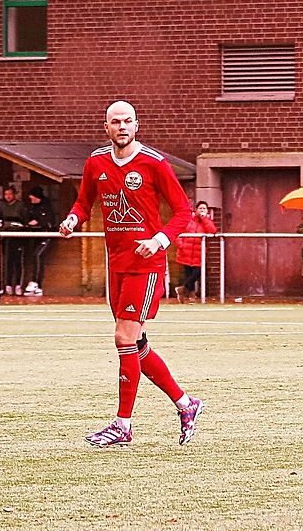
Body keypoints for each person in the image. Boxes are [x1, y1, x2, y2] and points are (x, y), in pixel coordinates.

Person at [58, 100, 203, 446]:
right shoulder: (96, 162)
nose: (122, 127)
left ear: (137, 126)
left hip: (146, 266)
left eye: (127, 121)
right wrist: (73, 219)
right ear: (106, 127)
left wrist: (159, 240)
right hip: (117, 265)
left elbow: (183, 211)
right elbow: (84, 202)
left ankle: (123, 425)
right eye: (115, 122)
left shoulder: (154, 163)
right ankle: (186, 404)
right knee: (136, 345)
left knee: (123, 338)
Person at [175, 200, 218, 304]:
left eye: (204, 208)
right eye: (200, 208)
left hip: (199, 253)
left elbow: (212, 231)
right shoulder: (188, 220)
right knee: (189, 274)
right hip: (186, 252)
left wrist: (204, 219)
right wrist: (181, 245)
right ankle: (191, 296)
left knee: (196, 273)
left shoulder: (207, 221)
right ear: (196, 210)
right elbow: (178, 232)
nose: (202, 210)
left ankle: (182, 290)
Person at [23, 186, 56, 296]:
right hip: (35, 236)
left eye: (32, 196)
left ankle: (36, 282)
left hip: (46, 236)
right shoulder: (31, 207)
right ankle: (37, 285)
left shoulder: (46, 207)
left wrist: (38, 222)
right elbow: (27, 218)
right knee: (34, 257)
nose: (30, 198)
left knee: (38, 255)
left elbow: (50, 222)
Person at [0, 185, 27, 296]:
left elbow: (25, 221)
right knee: (7, 261)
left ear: (14, 194)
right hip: (6, 237)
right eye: (6, 194)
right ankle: (7, 285)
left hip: (18, 237)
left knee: (18, 262)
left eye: (10, 194)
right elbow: (0, 220)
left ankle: (18, 285)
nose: (8, 196)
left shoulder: (20, 206)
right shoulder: (2, 206)